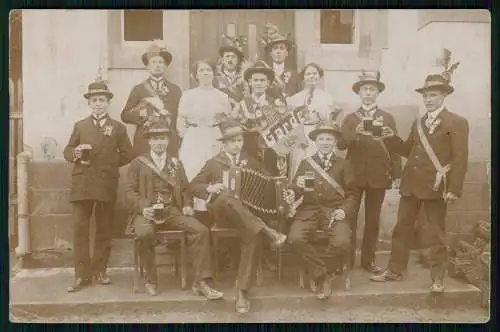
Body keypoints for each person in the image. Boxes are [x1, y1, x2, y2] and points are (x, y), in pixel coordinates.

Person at [370, 56, 468, 293]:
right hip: (411, 185)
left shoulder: (456, 122)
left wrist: (454, 188)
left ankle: (437, 278)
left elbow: (460, 158)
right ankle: (395, 270)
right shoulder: (419, 123)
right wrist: (389, 137)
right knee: (401, 228)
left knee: (434, 233)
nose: (428, 99)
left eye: (433, 95)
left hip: (436, 187)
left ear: (444, 96)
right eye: (425, 95)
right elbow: (406, 149)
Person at [189, 118, 291, 313]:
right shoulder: (213, 163)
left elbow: (270, 182)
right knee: (227, 197)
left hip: (247, 219)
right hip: (222, 214)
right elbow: (192, 186)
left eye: (240, 141)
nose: (238, 144)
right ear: (224, 143)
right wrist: (210, 187)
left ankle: (242, 292)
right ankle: (268, 231)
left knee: (252, 237)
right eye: (233, 141)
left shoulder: (251, 161)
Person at [124, 120, 223, 299]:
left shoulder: (176, 163)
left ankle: (201, 281)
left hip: (171, 211)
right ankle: (151, 279)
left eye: (162, 138)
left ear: (168, 140)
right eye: (155, 139)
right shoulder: (138, 163)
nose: (159, 142)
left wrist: (186, 205)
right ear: (149, 141)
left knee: (200, 230)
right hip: (147, 210)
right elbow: (129, 191)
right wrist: (142, 208)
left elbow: (185, 189)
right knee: (144, 233)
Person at [63, 78, 135, 293]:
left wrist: (109, 166)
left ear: (108, 102)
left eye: (102, 100)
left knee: (104, 229)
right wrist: (75, 154)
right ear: (89, 103)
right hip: (82, 183)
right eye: (94, 100)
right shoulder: (80, 126)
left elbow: (128, 154)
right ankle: (80, 275)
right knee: (80, 230)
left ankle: (100, 271)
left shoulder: (118, 128)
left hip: (105, 183)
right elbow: (67, 150)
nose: (98, 104)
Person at [336, 70, 402, 273]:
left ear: (378, 93)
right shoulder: (350, 118)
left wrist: (397, 174)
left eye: (372, 89)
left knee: (373, 220)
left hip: (378, 174)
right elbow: (340, 145)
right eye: (364, 89)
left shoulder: (387, 117)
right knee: (350, 217)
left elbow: (393, 147)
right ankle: (347, 259)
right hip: (354, 175)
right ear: (359, 93)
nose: (368, 93)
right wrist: (353, 134)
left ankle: (368, 260)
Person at [288, 120, 358, 300]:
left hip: (334, 212)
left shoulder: (344, 164)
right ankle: (322, 276)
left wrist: (344, 210)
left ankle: (320, 273)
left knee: (342, 242)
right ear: (315, 142)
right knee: (295, 238)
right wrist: (296, 187)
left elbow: (352, 194)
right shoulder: (306, 163)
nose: (325, 142)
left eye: (329, 139)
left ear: (335, 142)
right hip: (309, 211)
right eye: (321, 139)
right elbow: (294, 192)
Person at [177, 60, 232, 212]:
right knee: (193, 170)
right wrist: (187, 137)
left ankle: (212, 209)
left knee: (214, 169)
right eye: (202, 70)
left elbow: (226, 121)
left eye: (209, 70)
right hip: (194, 136)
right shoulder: (188, 95)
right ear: (196, 74)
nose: (206, 73)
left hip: (214, 135)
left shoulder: (222, 96)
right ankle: (192, 208)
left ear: (214, 74)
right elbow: (180, 123)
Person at [121, 40, 182, 157]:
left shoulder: (175, 90)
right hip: (145, 141)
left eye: (160, 62)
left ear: (165, 66)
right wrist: (140, 114)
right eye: (153, 62)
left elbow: (181, 117)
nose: (157, 65)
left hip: (168, 141)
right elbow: (124, 115)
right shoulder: (138, 89)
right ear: (147, 66)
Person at [288, 62, 341, 179]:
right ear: (303, 77)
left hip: (319, 136)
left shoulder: (328, 98)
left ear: (319, 76)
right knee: (300, 167)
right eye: (308, 74)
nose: (311, 76)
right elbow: (291, 124)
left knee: (320, 165)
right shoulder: (294, 99)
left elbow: (331, 121)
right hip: (301, 137)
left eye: (314, 73)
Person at [259, 23, 300, 102]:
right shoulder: (264, 73)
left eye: (282, 48)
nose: (278, 51)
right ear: (270, 53)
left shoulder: (295, 75)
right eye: (275, 48)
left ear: (287, 53)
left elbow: (299, 97)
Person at [215, 34, 249, 108]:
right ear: (222, 60)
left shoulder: (245, 78)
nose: (230, 60)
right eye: (227, 56)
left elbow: (248, 100)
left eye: (233, 57)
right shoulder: (215, 78)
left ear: (238, 61)